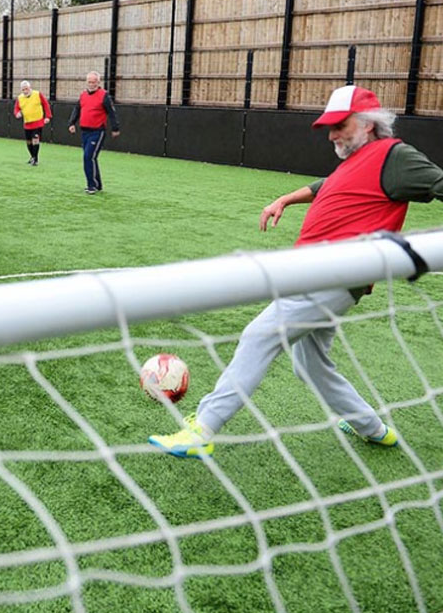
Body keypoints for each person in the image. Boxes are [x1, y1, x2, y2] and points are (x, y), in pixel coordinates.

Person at [148, 85, 443, 459]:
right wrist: (285, 199)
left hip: (334, 274)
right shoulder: (357, 161)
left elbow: (437, 182)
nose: (333, 135)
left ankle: (203, 428)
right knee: (310, 364)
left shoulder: (395, 156)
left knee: (259, 335)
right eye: (329, 128)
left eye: (341, 126)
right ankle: (373, 427)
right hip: (318, 273)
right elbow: (326, 188)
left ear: (369, 125)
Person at [67, 71, 120, 194]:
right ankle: (97, 184)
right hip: (85, 131)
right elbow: (77, 109)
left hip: (97, 131)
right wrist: (71, 123)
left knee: (88, 157)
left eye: (93, 82)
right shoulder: (83, 95)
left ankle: (92, 185)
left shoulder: (104, 96)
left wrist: (115, 128)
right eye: (89, 82)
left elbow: (112, 113)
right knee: (90, 158)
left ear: (98, 82)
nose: (91, 84)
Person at [14, 80, 52, 166]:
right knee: (28, 142)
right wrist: (17, 113)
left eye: (26, 89)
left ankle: (35, 159)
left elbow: (46, 104)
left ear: (30, 88)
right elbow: (16, 108)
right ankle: (32, 156)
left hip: (37, 122)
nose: (25, 91)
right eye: (23, 90)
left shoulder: (37, 94)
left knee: (35, 140)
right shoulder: (20, 98)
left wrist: (48, 116)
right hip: (27, 123)